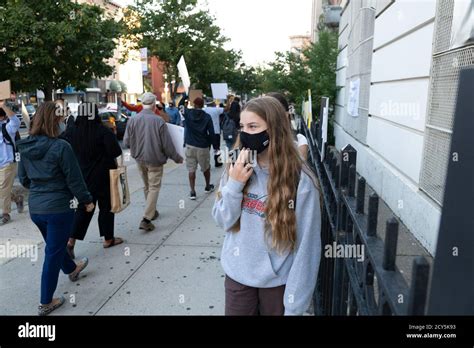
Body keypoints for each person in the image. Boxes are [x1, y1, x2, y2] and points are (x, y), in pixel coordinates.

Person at [212, 97, 321, 316]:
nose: (245, 133)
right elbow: (222, 220)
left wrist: (294, 306)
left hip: (277, 283)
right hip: (238, 278)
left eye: (253, 127)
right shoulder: (237, 164)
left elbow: (307, 247)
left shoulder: (300, 179)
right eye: (242, 127)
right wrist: (234, 185)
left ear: (274, 129)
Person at [16, 102, 95, 316]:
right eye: (61, 119)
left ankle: (71, 269)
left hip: (37, 209)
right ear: (54, 121)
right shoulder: (61, 147)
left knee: (55, 245)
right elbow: (75, 179)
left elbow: (23, 178)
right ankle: (45, 302)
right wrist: (86, 200)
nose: (63, 123)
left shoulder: (25, 147)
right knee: (52, 252)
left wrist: (41, 189)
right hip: (59, 208)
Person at [61, 103, 124, 259]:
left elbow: (62, 145)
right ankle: (108, 238)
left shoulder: (71, 132)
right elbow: (115, 151)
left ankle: (70, 242)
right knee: (106, 207)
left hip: (82, 177)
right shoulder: (103, 131)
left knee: (84, 208)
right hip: (104, 176)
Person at [124, 92, 183, 232]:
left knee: (147, 186)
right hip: (155, 159)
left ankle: (152, 211)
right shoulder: (158, 121)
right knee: (154, 187)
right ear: (153, 104)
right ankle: (146, 218)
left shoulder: (132, 120)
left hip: (139, 159)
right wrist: (177, 158)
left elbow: (126, 142)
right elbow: (167, 145)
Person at [183, 97, 215, 200]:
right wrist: (213, 145)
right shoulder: (207, 117)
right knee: (206, 167)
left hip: (190, 145)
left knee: (191, 169)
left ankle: (192, 192)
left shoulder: (188, 113)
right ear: (202, 105)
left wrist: (185, 96)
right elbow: (212, 133)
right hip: (202, 146)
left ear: (194, 104)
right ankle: (207, 186)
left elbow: (179, 106)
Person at [267, 92, 308, 161]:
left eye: (273, 112)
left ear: (286, 114)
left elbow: (300, 169)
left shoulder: (299, 141)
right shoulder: (257, 139)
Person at [0, 100, 22, 225]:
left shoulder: (7, 127)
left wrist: (3, 105)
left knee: (3, 189)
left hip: (7, 163)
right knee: (4, 190)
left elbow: (16, 121)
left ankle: (5, 213)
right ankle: (17, 198)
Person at [204, 102, 224, 168]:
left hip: (206, 132)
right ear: (213, 104)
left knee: (207, 149)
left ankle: (206, 164)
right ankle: (218, 162)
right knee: (217, 148)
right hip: (216, 132)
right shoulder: (216, 109)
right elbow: (226, 109)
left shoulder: (204, 110)